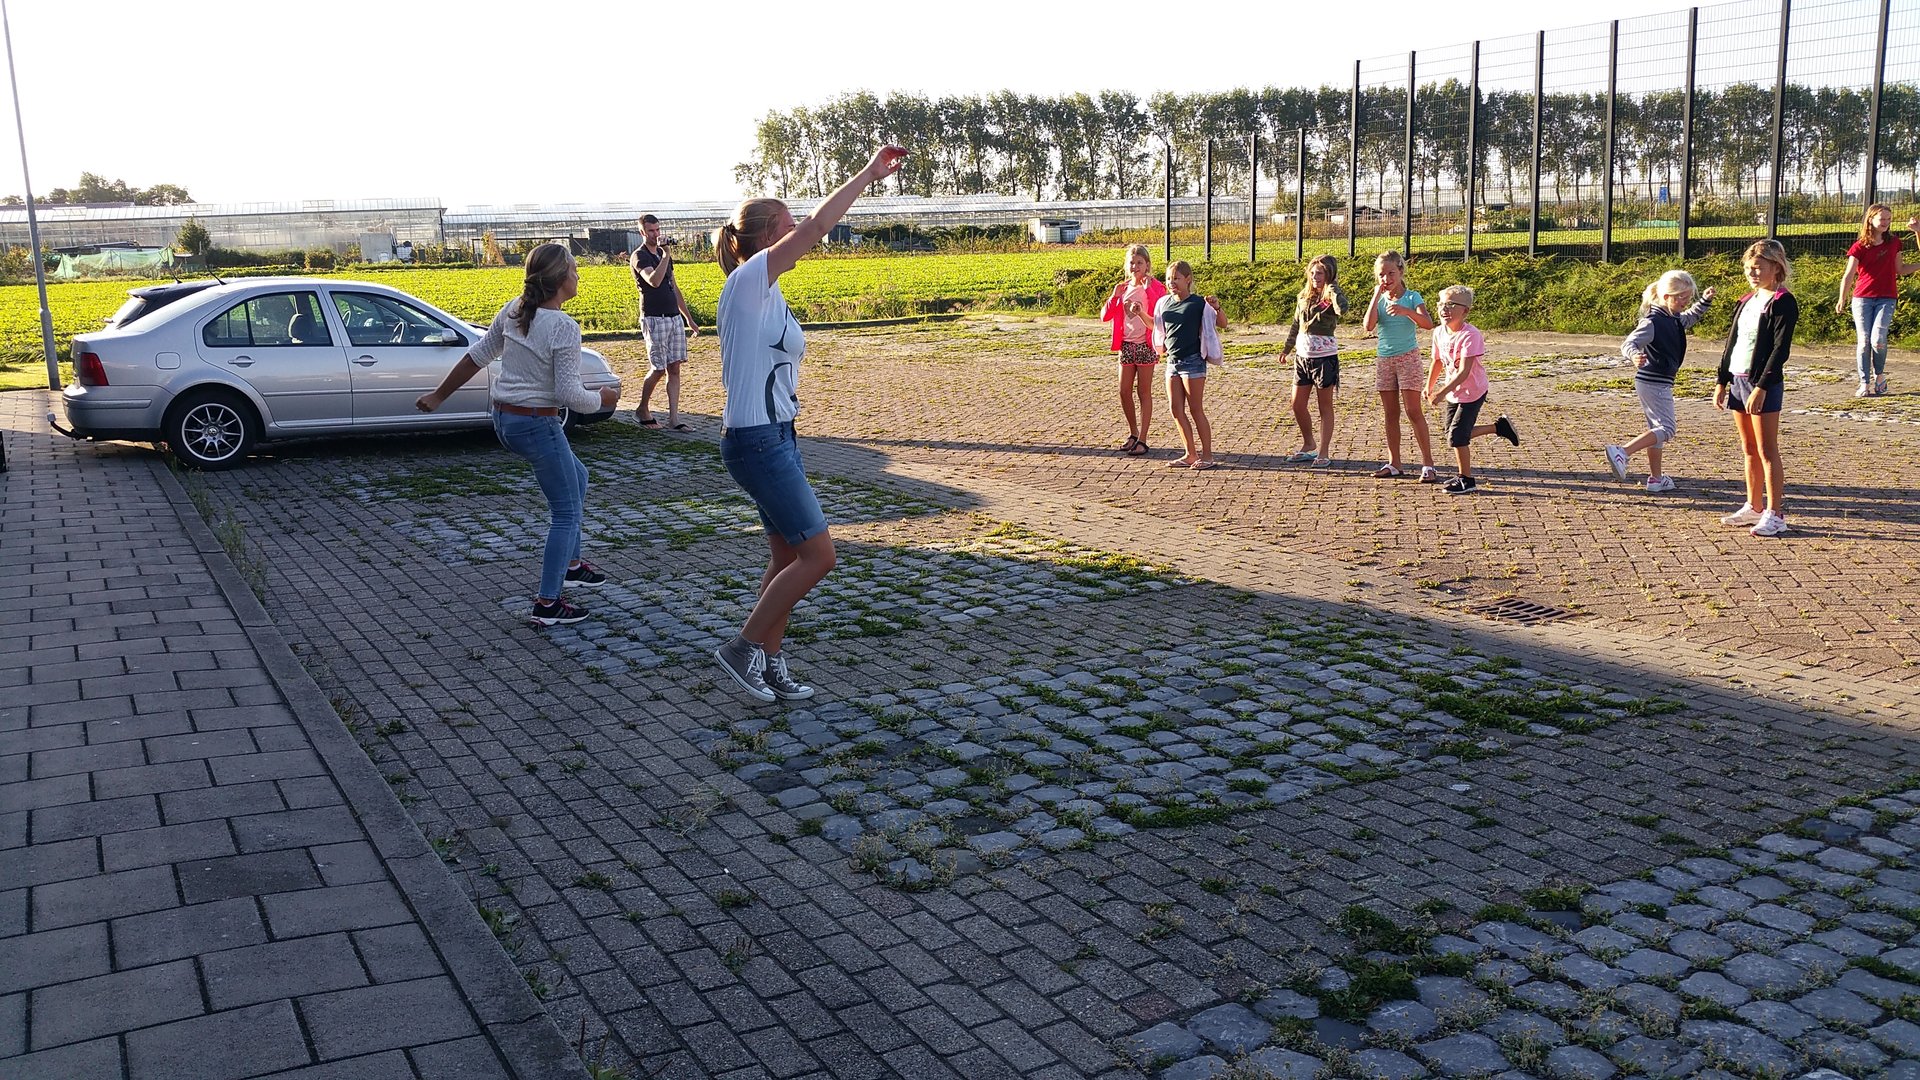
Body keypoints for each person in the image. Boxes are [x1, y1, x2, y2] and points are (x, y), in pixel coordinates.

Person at [711, 145, 909, 703]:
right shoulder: (751, 278)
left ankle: (770, 663)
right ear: (766, 235)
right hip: (757, 440)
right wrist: (868, 173)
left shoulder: (766, 290)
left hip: (774, 436)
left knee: (786, 558)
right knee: (820, 557)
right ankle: (742, 648)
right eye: (787, 221)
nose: (798, 227)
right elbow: (821, 225)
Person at [416, 244, 620, 625]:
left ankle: (572, 565)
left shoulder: (514, 310)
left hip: (505, 420)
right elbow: (570, 395)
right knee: (565, 512)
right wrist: (604, 398)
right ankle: (548, 603)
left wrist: (438, 396)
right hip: (537, 424)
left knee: (578, 477)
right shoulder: (563, 327)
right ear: (559, 280)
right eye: (574, 269)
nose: (578, 275)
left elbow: (476, 356)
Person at [1717, 239, 1798, 538]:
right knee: (1748, 448)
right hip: (1738, 380)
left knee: (1766, 449)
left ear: (1776, 267)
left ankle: (1775, 514)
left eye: (1758, 268)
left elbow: (1780, 349)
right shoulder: (1746, 300)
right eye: (1749, 268)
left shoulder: (1783, 301)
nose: (1752, 273)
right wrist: (1721, 380)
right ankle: (1753, 506)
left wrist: (1762, 386)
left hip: (1762, 383)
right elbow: (1732, 342)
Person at [1605, 270, 1715, 492]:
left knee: (1656, 431)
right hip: (1653, 381)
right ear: (1666, 297)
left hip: (1656, 381)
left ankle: (1656, 479)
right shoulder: (1653, 322)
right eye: (1681, 297)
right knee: (1667, 429)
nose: (1685, 302)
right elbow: (1629, 343)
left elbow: (1690, 317)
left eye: (1688, 297)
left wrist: (1704, 302)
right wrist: (1634, 356)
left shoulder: (1673, 318)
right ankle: (1622, 452)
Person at [1426, 285, 1519, 495]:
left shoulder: (1471, 335)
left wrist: (1440, 393)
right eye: (1441, 304)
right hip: (1454, 392)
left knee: (1457, 437)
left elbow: (1464, 372)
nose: (1444, 309)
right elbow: (1437, 361)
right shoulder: (1439, 332)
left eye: (1451, 305)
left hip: (1473, 391)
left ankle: (1466, 479)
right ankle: (1499, 427)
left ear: (1465, 311)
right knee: (1452, 434)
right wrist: (1429, 386)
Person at [1361, 251, 1438, 481]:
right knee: (1390, 413)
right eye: (1381, 274)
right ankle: (1394, 462)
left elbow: (1428, 323)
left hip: (1408, 358)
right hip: (1385, 360)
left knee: (1413, 411)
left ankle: (1428, 465)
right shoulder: (1380, 299)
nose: (1386, 278)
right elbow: (1368, 326)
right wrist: (1376, 296)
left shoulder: (1413, 297)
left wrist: (1407, 311)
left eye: (1391, 273)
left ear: (1401, 271)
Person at [1835, 202, 1920, 398]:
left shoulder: (1894, 243)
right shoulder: (1859, 246)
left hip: (1887, 298)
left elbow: (1900, 269)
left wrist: (1917, 233)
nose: (1886, 222)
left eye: (1889, 219)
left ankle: (1879, 376)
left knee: (1878, 340)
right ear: (1871, 219)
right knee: (1864, 341)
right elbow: (1848, 275)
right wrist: (1842, 298)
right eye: (1882, 219)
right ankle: (1864, 382)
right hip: (1862, 299)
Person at [1152, 260, 1227, 469]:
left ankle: (1208, 455)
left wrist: (1217, 307)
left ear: (1188, 279)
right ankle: (1190, 454)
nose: (1171, 282)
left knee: (1195, 409)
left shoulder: (1198, 303)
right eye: (1168, 278)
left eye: (1176, 278)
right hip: (1172, 361)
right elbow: (1156, 325)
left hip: (1193, 361)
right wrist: (1139, 313)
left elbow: (1222, 323)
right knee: (1175, 409)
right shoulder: (1163, 303)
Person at [631, 214, 700, 429]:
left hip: (673, 317)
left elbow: (673, 286)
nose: (656, 234)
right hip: (654, 318)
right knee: (658, 369)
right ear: (642, 232)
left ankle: (674, 419)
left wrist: (688, 318)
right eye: (651, 231)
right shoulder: (639, 256)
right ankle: (642, 408)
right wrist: (666, 256)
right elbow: (654, 280)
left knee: (674, 367)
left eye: (658, 230)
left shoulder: (663, 255)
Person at [1101, 244, 1168, 456]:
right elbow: (1105, 316)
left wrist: (1148, 288)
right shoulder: (1123, 288)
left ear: (1147, 265)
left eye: (1139, 262)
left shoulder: (1155, 286)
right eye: (1131, 262)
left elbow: (1161, 309)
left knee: (1143, 391)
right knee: (1123, 391)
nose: (1135, 266)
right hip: (1127, 345)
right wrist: (1114, 296)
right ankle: (1133, 432)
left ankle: (1143, 438)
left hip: (1146, 345)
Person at [1281, 255, 1346, 467]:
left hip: (1324, 358)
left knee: (1324, 406)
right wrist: (1287, 348)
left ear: (1329, 274)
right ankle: (1309, 443)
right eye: (1312, 273)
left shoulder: (1332, 294)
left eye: (1320, 273)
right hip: (1303, 357)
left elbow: (1342, 310)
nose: (1315, 277)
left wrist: (1333, 291)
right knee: (1297, 404)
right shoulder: (1304, 296)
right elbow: (1295, 323)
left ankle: (1324, 452)